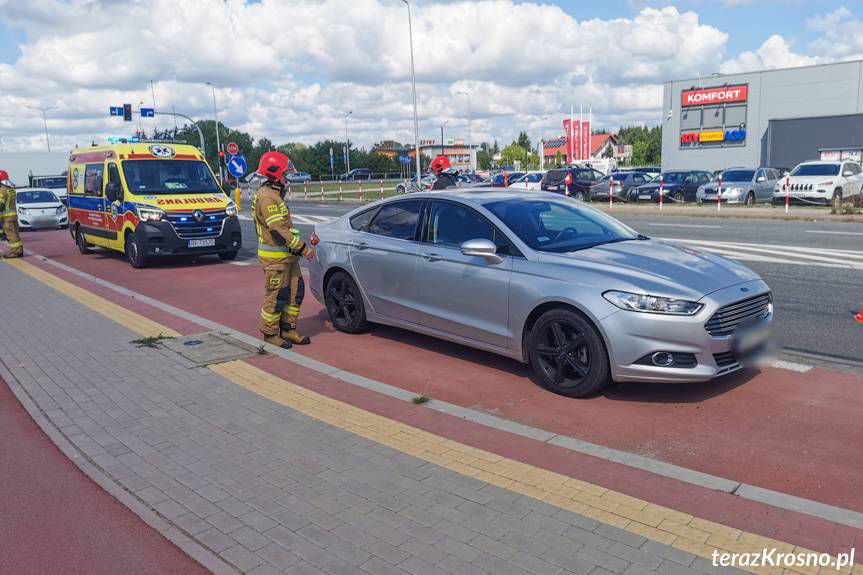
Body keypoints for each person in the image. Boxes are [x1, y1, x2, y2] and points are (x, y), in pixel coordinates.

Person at [252, 152, 315, 349]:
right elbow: (278, 230)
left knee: (295, 293)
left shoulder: (275, 194)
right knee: (276, 296)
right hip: (275, 259)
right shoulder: (267, 197)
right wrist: (302, 248)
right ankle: (270, 334)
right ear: (275, 173)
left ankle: (288, 329)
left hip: (287, 257)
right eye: (285, 173)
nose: (287, 177)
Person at [0, 170, 22, 258]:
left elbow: (1, 204)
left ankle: (16, 252)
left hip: (6, 218)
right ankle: (19, 251)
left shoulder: (2, 190)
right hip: (13, 217)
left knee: (11, 235)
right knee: (15, 234)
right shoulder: (11, 189)